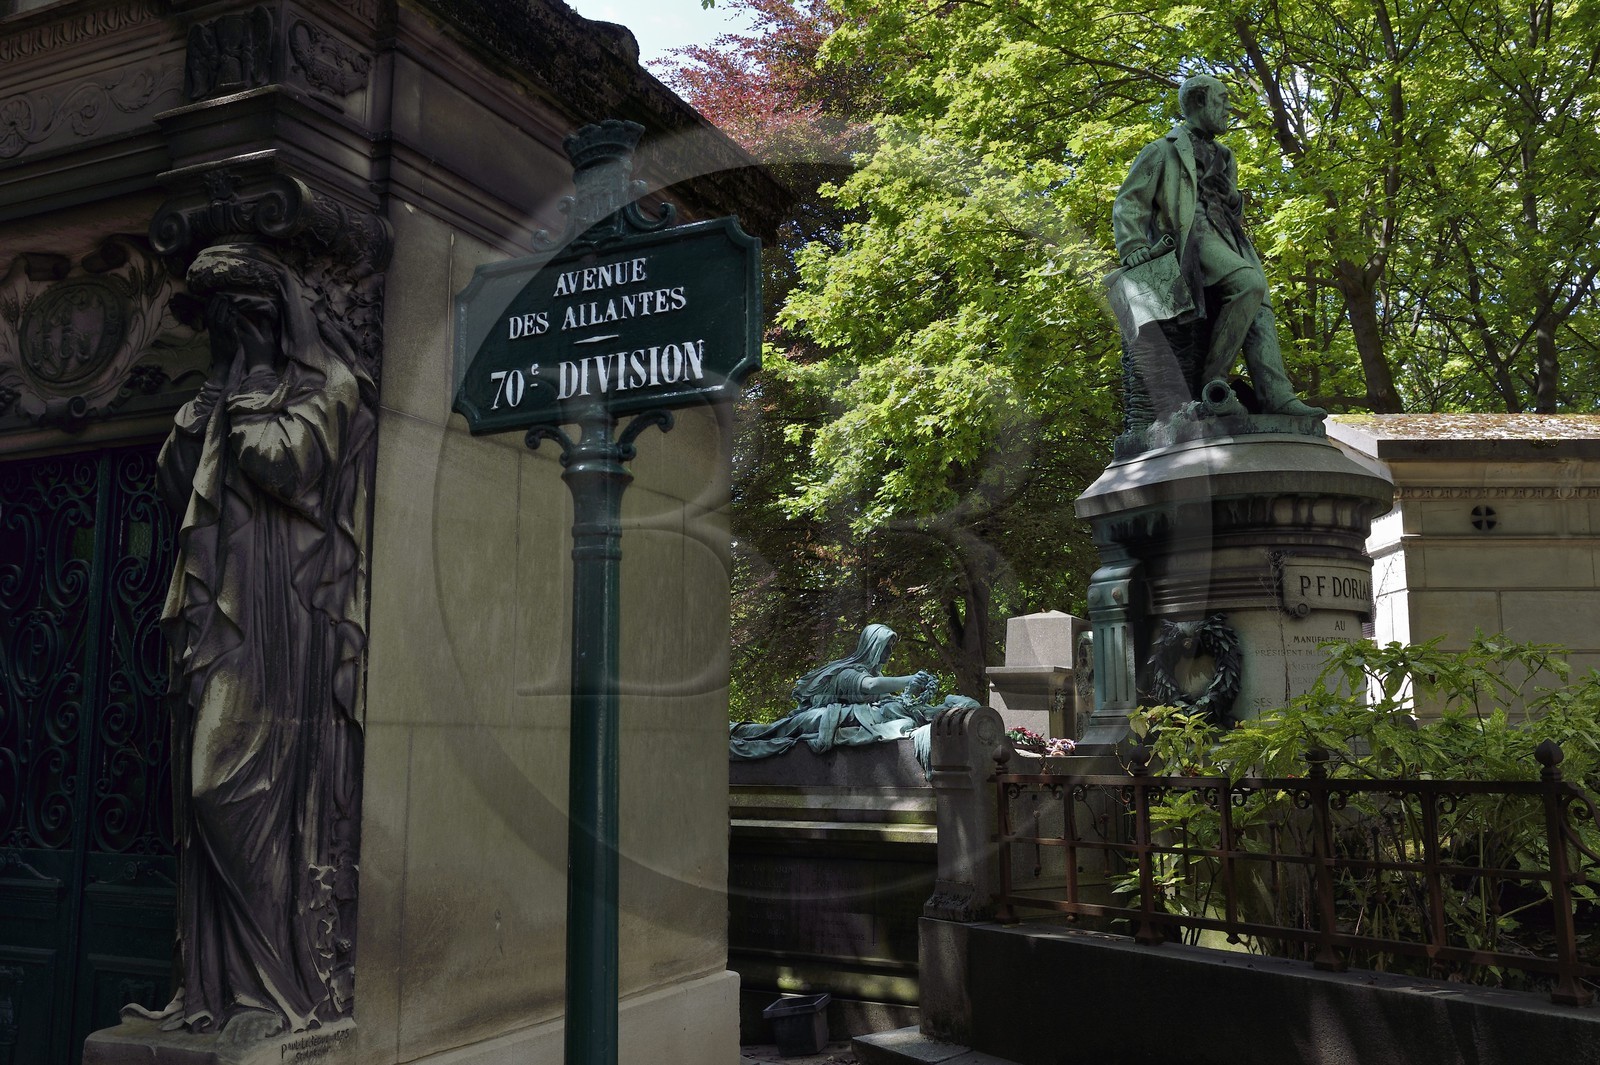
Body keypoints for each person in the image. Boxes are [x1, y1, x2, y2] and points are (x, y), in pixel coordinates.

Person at [133, 242, 371, 1039]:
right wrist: (201, 412)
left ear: (272, 317)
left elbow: (287, 465)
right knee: (203, 790)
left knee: (225, 785)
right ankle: (220, 983)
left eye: (239, 318)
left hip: (281, 612)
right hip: (220, 611)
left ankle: (278, 980)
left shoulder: (329, 387)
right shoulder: (219, 392)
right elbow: (174, 488)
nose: (228, 337)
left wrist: (237, 405)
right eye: (218, 325)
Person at [1112, 73, 1324, 418]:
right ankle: (1212, 382)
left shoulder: (1225, 155)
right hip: (1192, 237)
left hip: (1228, 237)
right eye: (1222, 99)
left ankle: (1276, 394)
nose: (1229, 107)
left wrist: (1235, 199)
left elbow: (1228, 207)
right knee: (1248, 284)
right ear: (1198, 102)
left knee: (1260, 306)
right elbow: (1128, 202)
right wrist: (1133, 244)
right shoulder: (1161, 150)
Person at [729, 624, 973, 761]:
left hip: (841, 719)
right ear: (872, 647)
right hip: (824, 719)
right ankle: (730, 731)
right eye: (885, 649)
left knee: (773, 733)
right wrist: (908, 679)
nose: (888, 655)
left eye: (889, 649)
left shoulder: (913, 710)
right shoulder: (848, 672)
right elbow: (869, 686)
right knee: (770, 732)